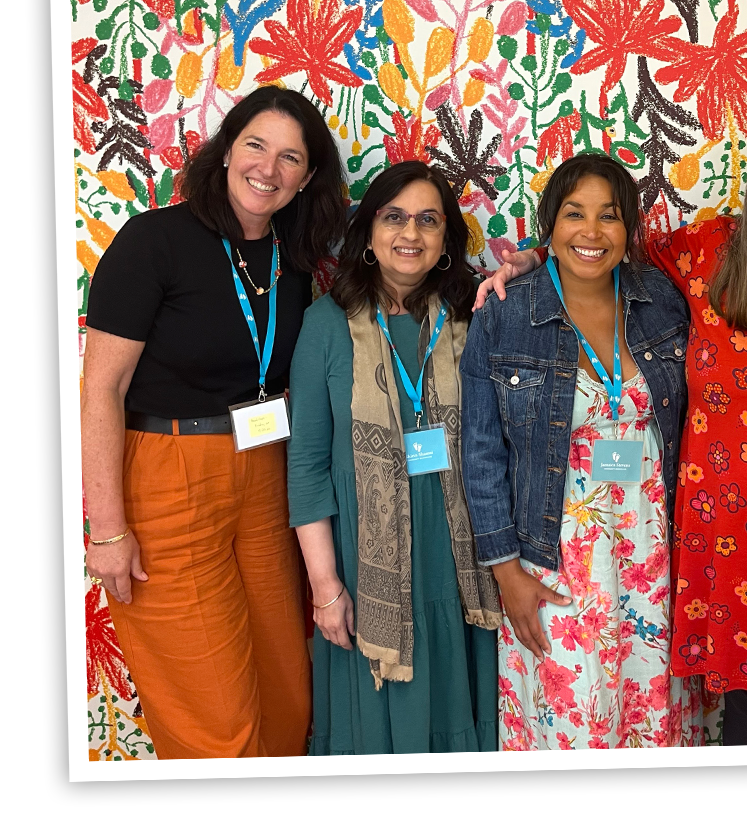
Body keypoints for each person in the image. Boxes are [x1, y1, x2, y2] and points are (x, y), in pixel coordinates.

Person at [476, 115, 747, 745]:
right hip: (734, 561)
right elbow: (602, 246)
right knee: (734, 733)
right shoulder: (709, 257)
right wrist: (537, 257)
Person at [81, 86, 346, 758]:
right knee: (215, 721)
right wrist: (106, 530)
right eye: (255, 145)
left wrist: (526, 266)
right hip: (169, 477)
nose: (268, 168)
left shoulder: (294, 255)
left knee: (286, 695)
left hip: (265, 477)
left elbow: (398, 273)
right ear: (227, 150)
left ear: (308, 176)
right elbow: (101, 389)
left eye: (291, 157)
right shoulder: (154, 241)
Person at [460, 154, 702, 749]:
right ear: (550, 225)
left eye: (609, 216)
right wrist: (506, 573)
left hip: (656, 555)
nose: (592, 231)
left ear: (629, 227)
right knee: (574, 722)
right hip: (554, 559)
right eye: (574, 214)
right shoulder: (505, 314)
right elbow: (481, 453)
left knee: (652, 718)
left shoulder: (664, 299)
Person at [287, 161, 502, 754]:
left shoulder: (475, 314)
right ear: (369, 232)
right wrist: (326, 586)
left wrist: (528, 260)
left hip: (460, 558)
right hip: (366, 566)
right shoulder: (325, 324)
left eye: (428, 220)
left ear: (446, 240)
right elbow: (306, 465)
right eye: (394, 217)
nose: (410, 233)